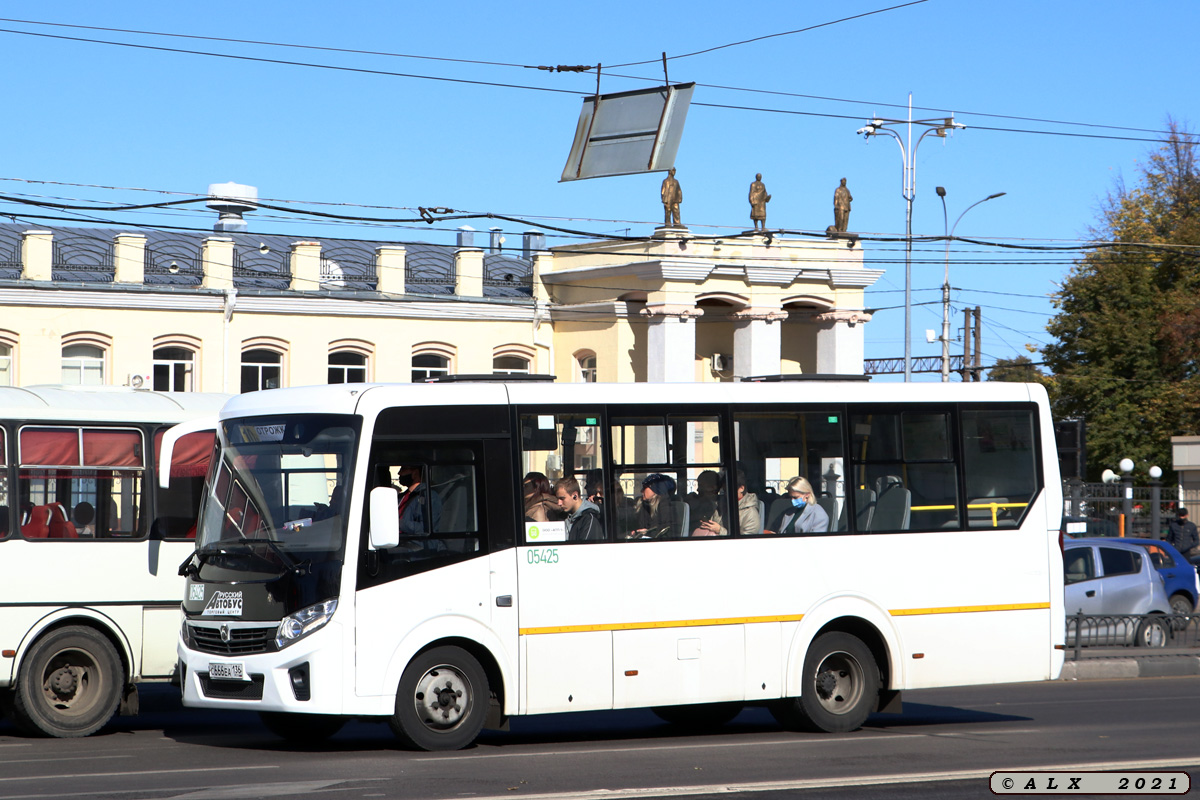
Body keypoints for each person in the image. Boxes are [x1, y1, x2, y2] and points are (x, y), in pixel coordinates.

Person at [694, 469, 760, 537]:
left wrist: (720, 530)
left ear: (741, 488)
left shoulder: (750, 513)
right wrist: (708, 524)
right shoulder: (721, 504)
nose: (727, 494)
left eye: (730, 490)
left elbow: (746, 541)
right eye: (725, 491)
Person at [554, 476, 604, 541]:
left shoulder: (589, 520)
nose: (559, 503)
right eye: (557, 499)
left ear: (575, 496)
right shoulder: (564, 516)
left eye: (562, 498)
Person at [396, 464, 441, 535]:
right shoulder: (402, 496)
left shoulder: (429, 496)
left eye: (403, 469)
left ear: (415, 473)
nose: (399, 473)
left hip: (416, 544)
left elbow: (425, 528)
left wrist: (398, 523)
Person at [631, 473, 678, 539]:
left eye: (645, 487)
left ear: (657, 489)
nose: (641, 491)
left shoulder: (666, 506)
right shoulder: (643, 504)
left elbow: (664, 531)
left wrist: (646, 532)